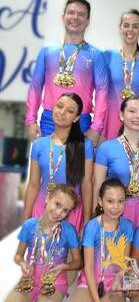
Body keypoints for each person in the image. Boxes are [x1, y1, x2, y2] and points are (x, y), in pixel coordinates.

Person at [25, 0, 108, 146]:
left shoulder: (96, 55)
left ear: (88, 21)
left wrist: (96, 127)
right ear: (63, 17)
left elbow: (103, 92)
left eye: (81, 14)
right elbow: (35, 87)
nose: (75, 17)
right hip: (49, 121)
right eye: (71, 12)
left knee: (75, 169)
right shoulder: (47, 51)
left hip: (80, 121)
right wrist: (31, 121)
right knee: (48, 167)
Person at [23, 93, 93, 233]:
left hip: (71, 213)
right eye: (59, 106)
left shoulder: (84, 145)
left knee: (66, 254)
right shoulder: (39, 144)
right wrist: (26, 220)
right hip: (42, 209)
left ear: (77, 118)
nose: (62, 112)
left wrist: (86, 221)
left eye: (70, 111)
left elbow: (86, 185)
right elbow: (33, 184)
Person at [5, 184, 82, 302]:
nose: (59, 212)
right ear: (47, 198)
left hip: (55, 283)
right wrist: (22, 263)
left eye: (65, 210)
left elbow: (78, 262)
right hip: (29, 280)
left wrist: (64, 266)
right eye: (57, 204)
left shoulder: (69, 230)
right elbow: (18, 256)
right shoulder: (29, 225)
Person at [94, 97, 139, 228]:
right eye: (132, 111)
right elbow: (98, 187)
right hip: (116, 213)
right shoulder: (106, 148)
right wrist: (96, 217)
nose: (138, 116)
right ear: (121, 115)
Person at [70, 178, 134, 302]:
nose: (116, 207)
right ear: (100, 201)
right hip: (89, 282)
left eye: (120, 201)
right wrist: (97, 300)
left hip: (114, 284)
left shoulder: (127, 226)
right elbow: (88, 267)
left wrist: (119, 280)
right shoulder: (92, 227)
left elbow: (124, 263)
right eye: (110, 201)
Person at [103, 9, 139, 139]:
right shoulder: (107, 56)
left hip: (133, 122)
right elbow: (99, 92)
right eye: (126, 25)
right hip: (107, 122)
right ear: (120, 28)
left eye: (135, 26)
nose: (130, 30)